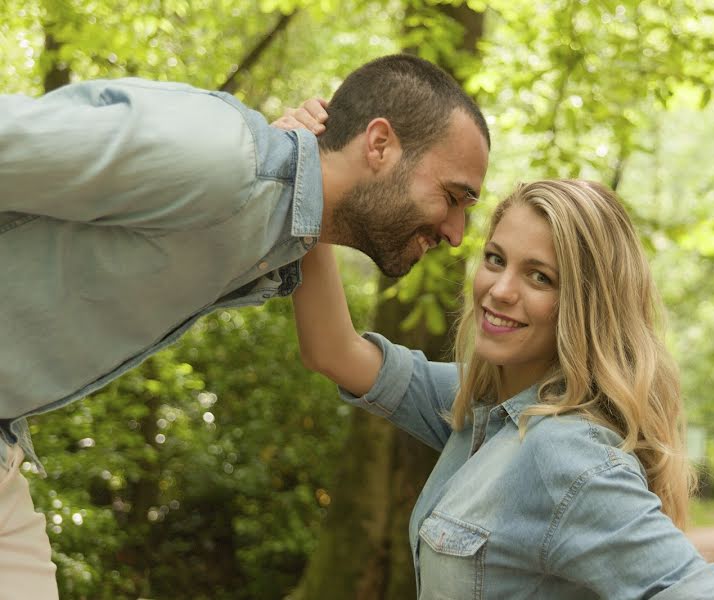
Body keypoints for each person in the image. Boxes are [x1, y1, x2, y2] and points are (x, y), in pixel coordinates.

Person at [0, 54, 489, 598]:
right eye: (452, 197)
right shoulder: (219, 155)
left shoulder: (276, 219)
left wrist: (316, 176)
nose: (457, 234)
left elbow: (334, 344)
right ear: (379, 145)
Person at [293, 179, 714, 598]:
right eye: (495, 259)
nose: (500, 290)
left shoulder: (567, 455)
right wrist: (315, 181)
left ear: (585, 307)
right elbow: (333, 352)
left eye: (539, 276)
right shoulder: (477, 404)